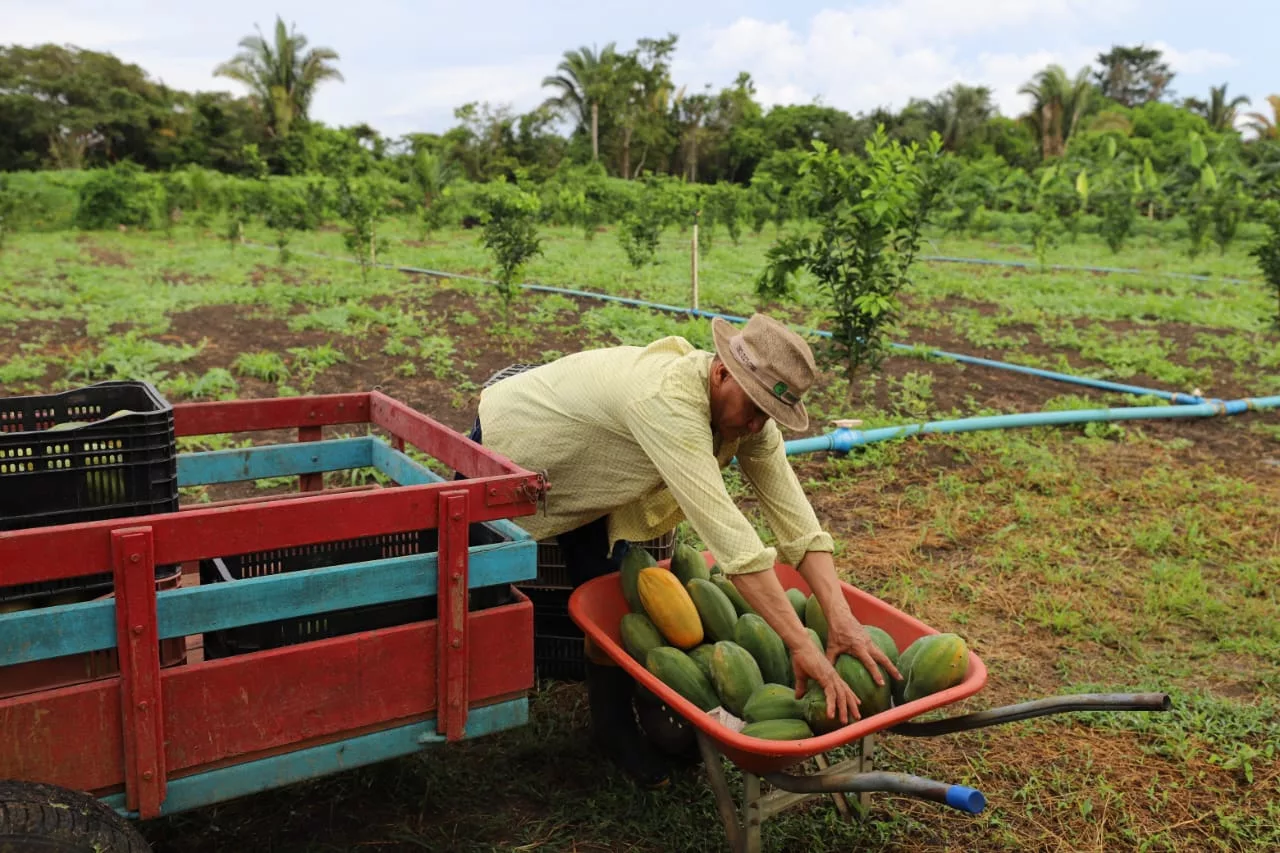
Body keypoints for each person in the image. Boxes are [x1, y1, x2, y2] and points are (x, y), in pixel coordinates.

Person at [467, 312, 901, 788]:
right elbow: (732, 539)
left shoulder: (748, 420)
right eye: (754, 408)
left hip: (591, 478)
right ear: (720, 373)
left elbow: (796, 522)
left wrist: (841, 619)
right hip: (513, 444)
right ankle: (457, 714)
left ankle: (611, 732)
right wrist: (800, 643)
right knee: (464, 586)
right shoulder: (668, 401)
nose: (757, 425)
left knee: (611, 604)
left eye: (769, 416)